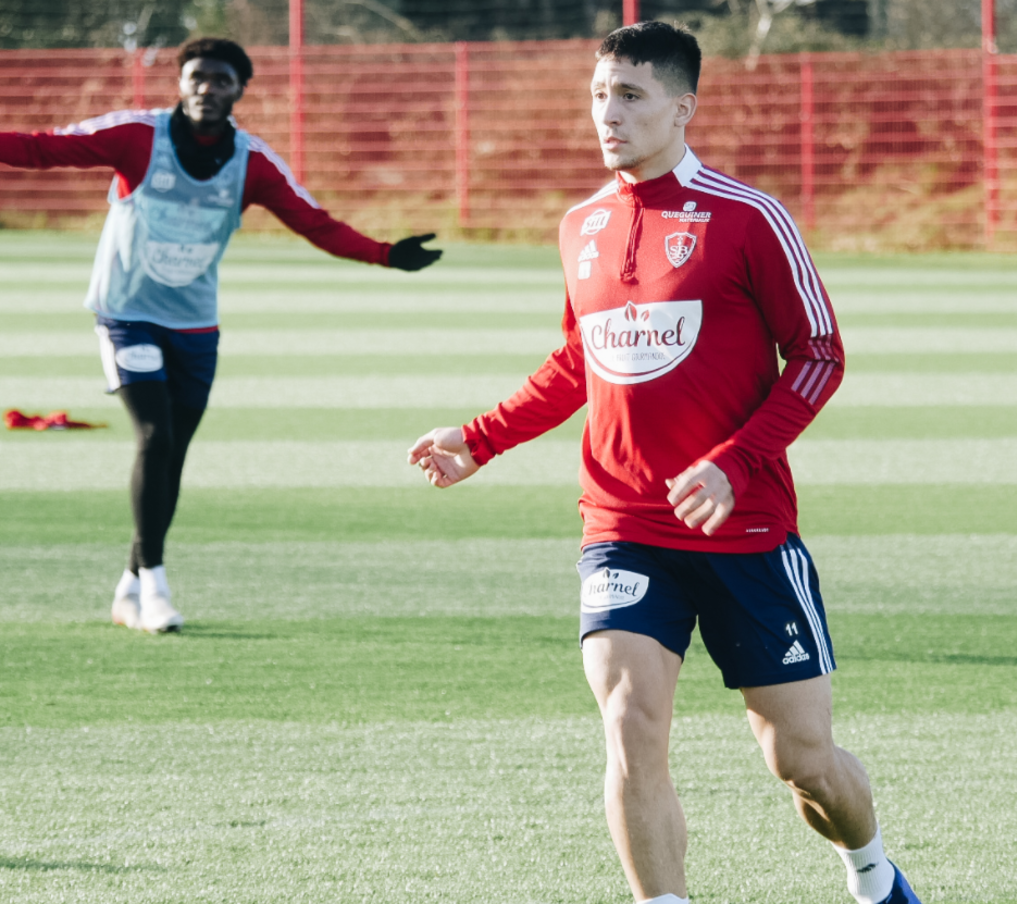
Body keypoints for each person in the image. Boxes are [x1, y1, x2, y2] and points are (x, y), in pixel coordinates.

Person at [407, 21, 921, 904]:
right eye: (598, 95)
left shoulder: (749, 218)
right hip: (622, 525)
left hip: (745, 530)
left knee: (800, 760)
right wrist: (479, 437)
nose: (607, 114)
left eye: (630, 96)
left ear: (682, 108)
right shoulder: (580, 225)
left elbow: (819, 353)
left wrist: (735, 461)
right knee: (628, 727)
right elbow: (581, 360)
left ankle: (873, 876)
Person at [0, 37, 442, 634]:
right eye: (197, 76)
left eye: (222, 79)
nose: (208, 88)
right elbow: (41, 148)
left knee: (172, 453)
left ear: (240, 91)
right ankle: (156, 587)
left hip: (195, 326)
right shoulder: (136, 136)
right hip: (127, 314)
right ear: (181, 84)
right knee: (155, 437)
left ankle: (129, 587)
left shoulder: (252, 163)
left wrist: (387, 254)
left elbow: (314, 223)